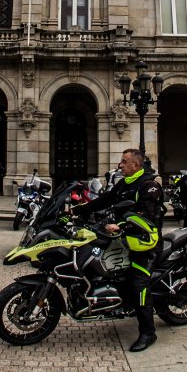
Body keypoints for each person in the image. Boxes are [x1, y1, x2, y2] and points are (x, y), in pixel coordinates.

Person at [72, 148, 163, 352]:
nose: (120, 165)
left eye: (124, 162)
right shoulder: (124, 184)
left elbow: (146, 215)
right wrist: (77, 210)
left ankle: (148, 332)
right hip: (124, 240)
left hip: (146, 242)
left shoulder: (149, 186)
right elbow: (105, 200)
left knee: (138, 282)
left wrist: (121, 226)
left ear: (135, 165)